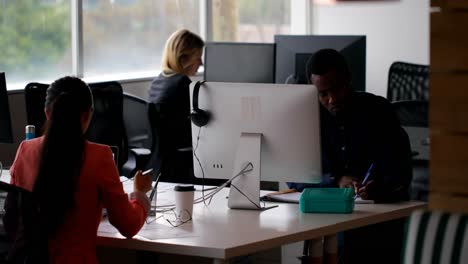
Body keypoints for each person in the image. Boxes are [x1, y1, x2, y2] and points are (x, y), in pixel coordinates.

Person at [8, 76, 152, 263]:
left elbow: (11, 217)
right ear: (88, 115)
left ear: (47, 113)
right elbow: (128, 226)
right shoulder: (99, 156)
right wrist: (140, 194)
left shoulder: (25, 149)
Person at [292, 49, 412, 264]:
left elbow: (402, 172)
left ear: (348, 79)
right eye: (323, 94)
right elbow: (294, 175)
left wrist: (380, 188)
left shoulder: (377, 110)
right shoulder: (307, 116)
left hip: (374, 219)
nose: (332, 99)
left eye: (336, 88)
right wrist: (335, 180)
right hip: (324, 217)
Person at [147, 29, 204, 183]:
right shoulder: (182, 84)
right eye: (198, 57)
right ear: (184, 57)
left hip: (160, 164)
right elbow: (196, 129)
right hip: (179, 166)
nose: (201, 63)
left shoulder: (157, 82)